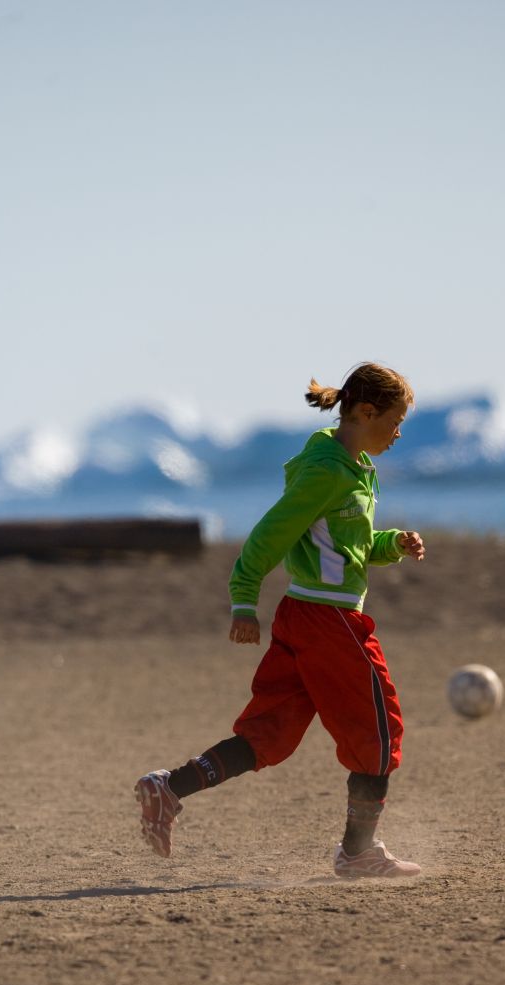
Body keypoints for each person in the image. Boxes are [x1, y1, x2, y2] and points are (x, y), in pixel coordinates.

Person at [134, 361, 426, 879]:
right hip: (327, 620)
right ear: (364, 411)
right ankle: (358, 854)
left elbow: (344, 546)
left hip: (307, 618)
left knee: (267, 736)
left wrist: (392, 545)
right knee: (380, 731)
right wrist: (244, 600)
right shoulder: (324, 471)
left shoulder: (356, 468)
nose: (400, 433)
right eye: (395, 421)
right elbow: (271, 535)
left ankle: (168, 787)